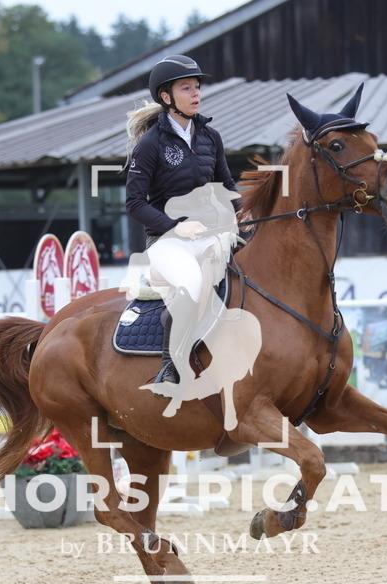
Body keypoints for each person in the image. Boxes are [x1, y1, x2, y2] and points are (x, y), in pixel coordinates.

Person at [124, 54, 241, 392]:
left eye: (197, 87)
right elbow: (134, 203)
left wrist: (244, 213)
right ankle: (169, 364)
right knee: (191, 283)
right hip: (167, 243)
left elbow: (226, 188)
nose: (196, 94)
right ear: (166, 97)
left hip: (212, 236)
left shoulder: (210, 137)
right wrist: (175, 227)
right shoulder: (151, 145)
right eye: (186, 88)